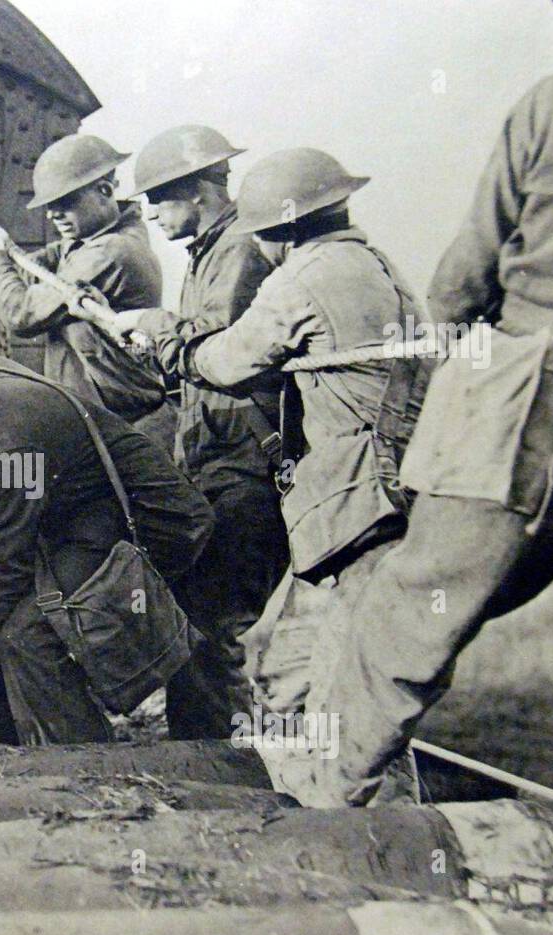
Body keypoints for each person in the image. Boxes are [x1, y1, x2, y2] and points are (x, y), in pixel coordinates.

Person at [293, 0, 553, 935]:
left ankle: (315, 870)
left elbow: (460, 285)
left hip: (518, 416)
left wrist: (430, 423)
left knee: (397, 629)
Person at [0, 318, 237, 745]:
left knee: (26, 636)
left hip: (154, 528)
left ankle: (82, 767)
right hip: (85, 515)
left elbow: (3, 570)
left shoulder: (8, 437)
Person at [181, 148, 433, 757]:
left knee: (337, 689)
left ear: (283, 233)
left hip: (356, 505)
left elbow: (228, 362)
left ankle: (364, 827)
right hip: (398, 491)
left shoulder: (300, 278)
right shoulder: (379, 267)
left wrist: (176, 349)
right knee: (327, 678)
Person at [112, 124, 288, 721]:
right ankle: (210, 758)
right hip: (222, 458)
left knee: (210, 627)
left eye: (160, 199)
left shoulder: (238, 248)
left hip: (246, 463)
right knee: (199, 620)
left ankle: (220, 767)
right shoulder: (211, 251)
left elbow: (219, 348)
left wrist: (154, 325)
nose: (153, 215)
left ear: (198, 192)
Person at [0, 134, 176, 453]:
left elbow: (20, 313)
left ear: (105, 191)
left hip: (127, 433)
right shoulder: (89, 241)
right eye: (49, 205)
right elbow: (21, 267)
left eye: (65, 202)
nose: (53, 214)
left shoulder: (111, 252)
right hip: (105, 426)